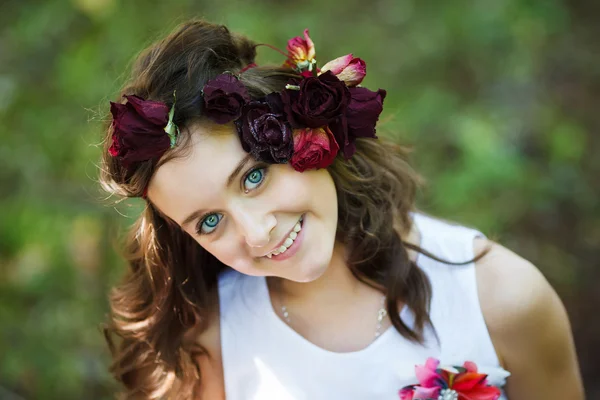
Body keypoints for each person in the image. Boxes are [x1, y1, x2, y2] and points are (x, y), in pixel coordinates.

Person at [100, 19, 584, 400]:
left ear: (310, 133)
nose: (256, 233)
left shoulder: (502, 301)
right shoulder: (210, 343)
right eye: (209, 221)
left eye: (253, 176)